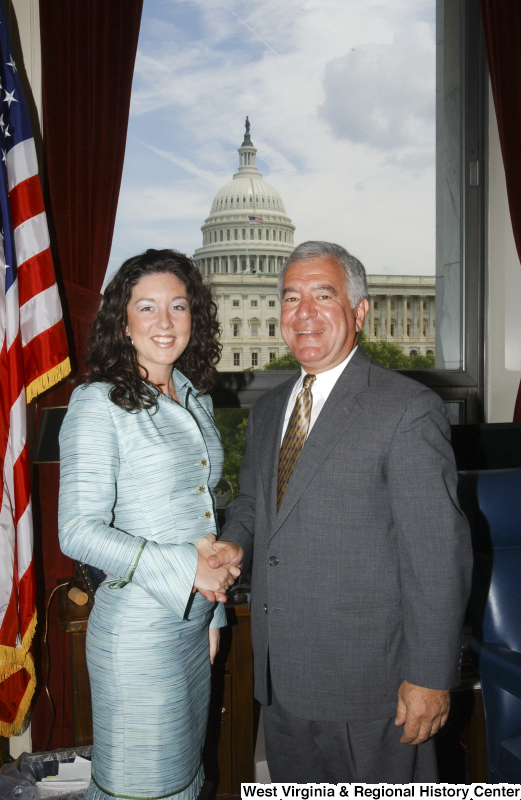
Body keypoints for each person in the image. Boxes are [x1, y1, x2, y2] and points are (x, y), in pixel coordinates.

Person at [209, 241, 473, 783]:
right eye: (290, 298)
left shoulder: (406, 408)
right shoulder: (268, 409)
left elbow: (437, 554)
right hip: (281, 678)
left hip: (374, 686)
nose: (302, 312)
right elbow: (257, 504)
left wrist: (430, 676)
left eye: (322, 295)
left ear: (358, 312)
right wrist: (236, 541)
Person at [58, 249, 240, 800]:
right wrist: (189, 571)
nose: (165, 323)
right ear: (123, 320)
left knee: (184, 781)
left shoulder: (193, 395)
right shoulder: (97, 404)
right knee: (142, 785)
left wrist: (213, 617)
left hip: (192, 624)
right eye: (147, 307)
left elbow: (201, 511)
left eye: (178, 307)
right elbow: (79, 531)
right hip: (137, 634)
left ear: (195, 316)